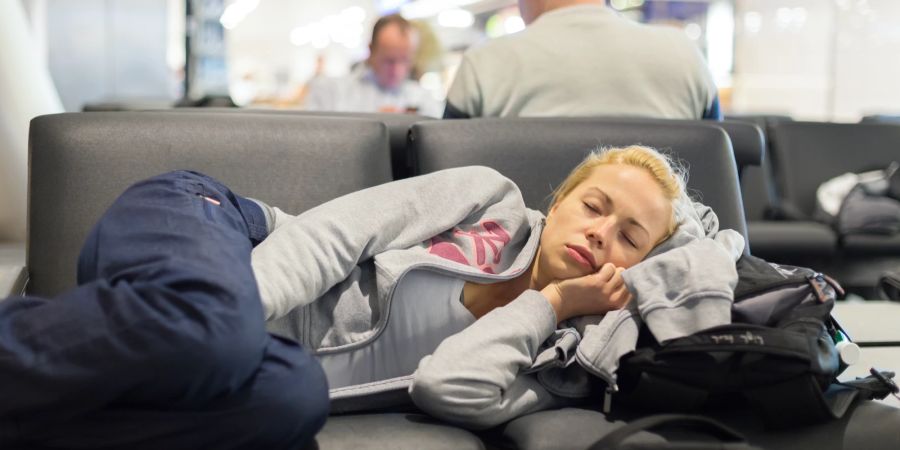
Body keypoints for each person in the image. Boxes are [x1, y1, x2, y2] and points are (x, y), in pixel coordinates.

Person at [252, 145, 744, 425]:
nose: (600, 232)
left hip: (260, 379)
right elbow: (334, 233)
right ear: (558, 202)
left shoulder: (564, 358)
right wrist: (235, 315)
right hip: (237, 254)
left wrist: (551, 304)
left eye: (629, 238)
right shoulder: (489, 201)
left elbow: (444, 387)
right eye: (593, 207)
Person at [0, 171, 329, 449]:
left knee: (292, 394)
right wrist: (237, 302)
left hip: (193, 357)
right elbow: (326, 235)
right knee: (208, 325)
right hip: (200, 217)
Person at [443, 0, 722, 120]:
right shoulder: (685, 56)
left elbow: (451, 186)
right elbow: (720, 174)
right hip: (670, 241)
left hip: (523, 240)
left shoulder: (485, 62)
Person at [304, 14, 442, 117]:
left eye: (405, 60)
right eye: (389, 61)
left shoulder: (423, 99)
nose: (397, 70)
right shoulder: (331, 92)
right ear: (371, 50)